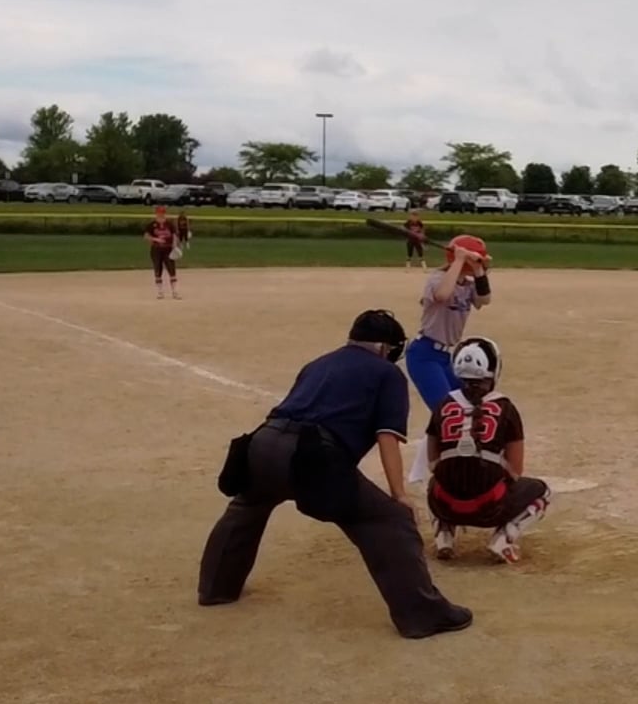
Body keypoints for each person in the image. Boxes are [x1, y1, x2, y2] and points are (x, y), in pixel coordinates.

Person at [197, 310, 472, 639]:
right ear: (385, 348)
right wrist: (399, 495)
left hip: (261, 444)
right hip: (313, 457)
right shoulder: (387, 373)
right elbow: (387, 436)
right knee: (390, 521)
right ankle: (422, 615)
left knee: (247, 506)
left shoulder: (318, 363)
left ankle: (216, 588)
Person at [420, 337, 552, 564]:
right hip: (490, 508)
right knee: (543, 492)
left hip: (445, 505)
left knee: (437, 480)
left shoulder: (443, 404)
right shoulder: (506, 407)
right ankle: (504, 538)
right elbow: (515, 471)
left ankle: (444, 537)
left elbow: (433, 462)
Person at [404, 234, 492, 483]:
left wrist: (479, 269)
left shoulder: (468, 284)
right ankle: (420, 475)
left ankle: (421, 472)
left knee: (466, 407)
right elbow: (443, 295)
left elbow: (484, 299)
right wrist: (459, 260)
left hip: (445, 358)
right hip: (424, 355)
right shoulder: (437, 279)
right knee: (446, 412)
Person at [145, 205, 180, 299]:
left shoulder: (169, 224)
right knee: (158, 270)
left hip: (168, 249)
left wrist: (174, 245)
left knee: (172, 270)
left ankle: (175, 292)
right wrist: (156, 239)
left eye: (162, 213)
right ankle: (160, 292)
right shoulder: (152, 224)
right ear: (156, 213)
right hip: (156, 250)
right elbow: (146, 236)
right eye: (159, 213)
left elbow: (174, 235)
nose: (161, 215)